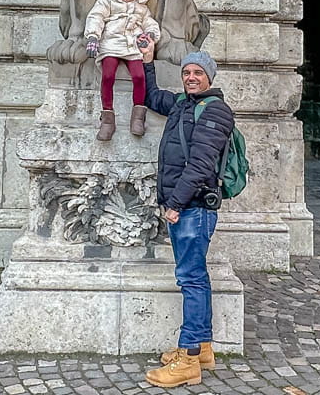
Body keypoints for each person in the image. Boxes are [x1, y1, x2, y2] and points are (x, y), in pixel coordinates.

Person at [141, 42, 234, 389]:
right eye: (187, 73)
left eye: (198, 73)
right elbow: (151, 96)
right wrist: (148, 60)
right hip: (187, 207)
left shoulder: (216, 111)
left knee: (190, 280)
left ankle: (188, 358)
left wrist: (175, 205)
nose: (191, 77)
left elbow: (199, 166)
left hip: (192, 208)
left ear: (209, 77)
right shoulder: (183, 104)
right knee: (196, 277)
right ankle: (204, 349)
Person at [83, 0, 160, 140]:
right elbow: (96, 16)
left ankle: (138, 117)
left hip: (133, 46)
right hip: (111, 44)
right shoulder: (107, 0)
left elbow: (150, 23)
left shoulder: (141, 7)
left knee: (140, 77)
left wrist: (152, 35)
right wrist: (93, 37)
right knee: (108, 75)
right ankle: (108, 119)